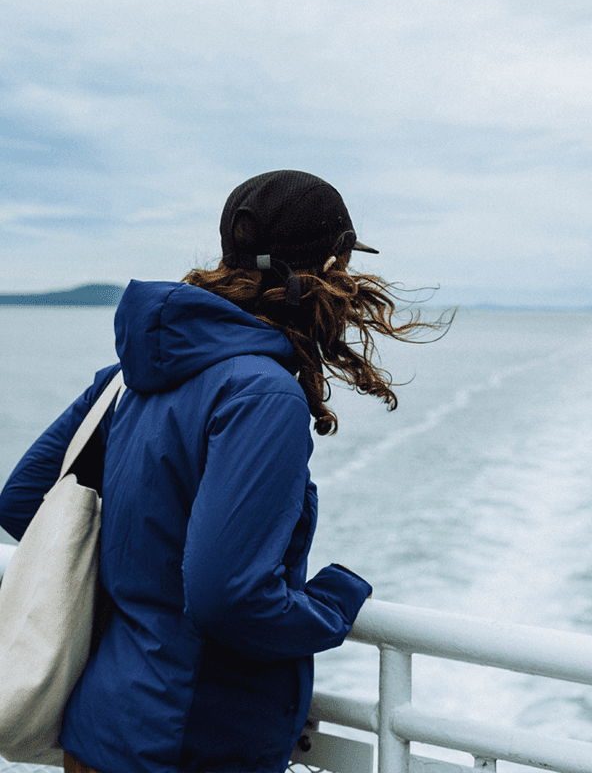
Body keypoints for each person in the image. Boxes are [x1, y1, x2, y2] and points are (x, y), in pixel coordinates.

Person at [0, 170, 450, 772]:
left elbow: (22, 501)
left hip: (99, 730)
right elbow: (227, 597)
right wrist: (333, 604)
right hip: (192, 743)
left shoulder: (127, 380)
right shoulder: (262, 395)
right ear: (332, 266)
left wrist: (141, 565)